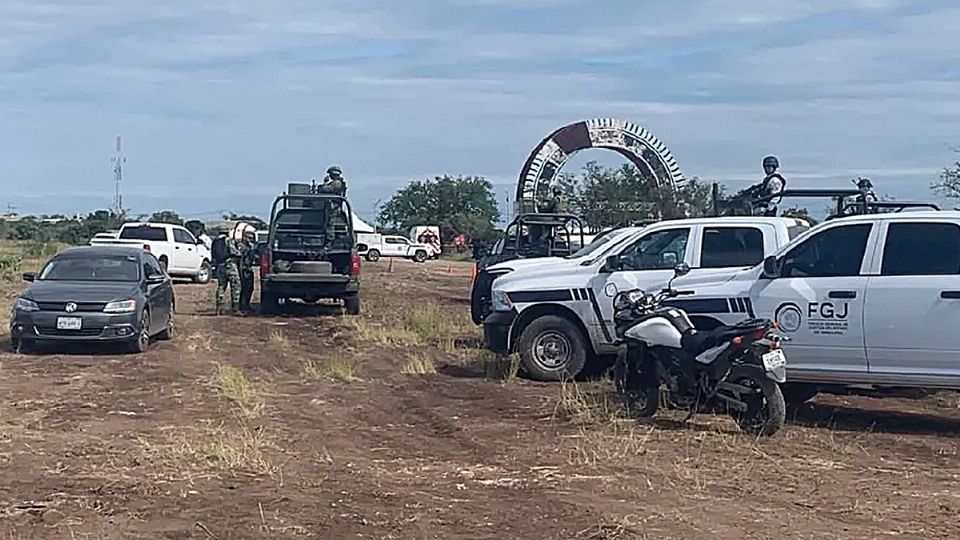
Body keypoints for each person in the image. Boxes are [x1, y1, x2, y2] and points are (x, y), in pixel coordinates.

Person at [215, 223, 244, 316]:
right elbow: (233, 251)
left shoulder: (214, 242)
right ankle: (235, 308)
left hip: (219, 265)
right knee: (236, 286)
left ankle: (219, 308)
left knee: (221, 286)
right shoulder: (228, 240)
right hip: (230, 264)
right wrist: (240, 253)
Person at [237, 224, 257, 314]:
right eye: (249, 237)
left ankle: (247, 305)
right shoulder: (241, 246)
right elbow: (241, 259)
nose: (250, 239)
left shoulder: (250, 246)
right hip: (243, 269)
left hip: (248, 269)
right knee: (244, 288)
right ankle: (242, 306)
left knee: (250, 288)